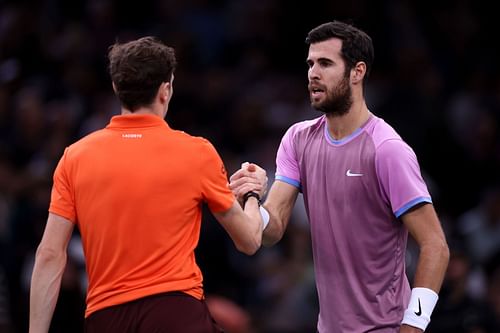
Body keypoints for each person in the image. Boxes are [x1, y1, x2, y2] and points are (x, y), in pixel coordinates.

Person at [29, 36, 267, 333]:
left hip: (106, 318)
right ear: (166, 90)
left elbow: (50, 255)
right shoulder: (197, 151)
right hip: (176, 313)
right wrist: (253, 194)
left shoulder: (75, 157)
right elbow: (249, 241)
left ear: (117, 88)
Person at [230, 20, 450, 332]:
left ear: (357, 72)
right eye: (310, 64)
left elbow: (435, 246)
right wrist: (250, 200)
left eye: (325, 63)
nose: (313, 73)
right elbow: (273, 228)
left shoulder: (387, 149)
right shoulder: (298, 139)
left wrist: (413, 326)